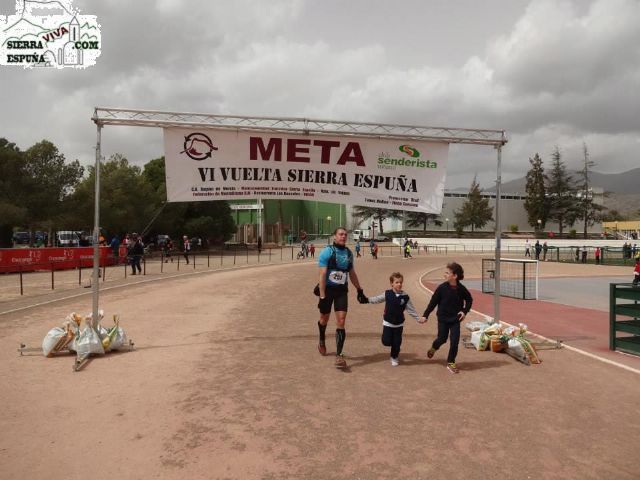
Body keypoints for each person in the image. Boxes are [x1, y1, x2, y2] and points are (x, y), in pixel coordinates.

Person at [317, 227, 366, 369]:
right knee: (323, 319)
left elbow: (352, 273)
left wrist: (359, 289)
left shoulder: (349, 253)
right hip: (327, 291)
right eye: (340, 234)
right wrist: (322, 295)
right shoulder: (327, 252)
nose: (343, 236)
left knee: (341, 320)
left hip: (341, 292)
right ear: (334, 237)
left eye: (345, 235)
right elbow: (322, 275)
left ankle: (339, 355)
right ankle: (321, 338)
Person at [421, 262, 473, 374]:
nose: (444, 274)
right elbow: (433, 302)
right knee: (442, 339)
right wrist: (425, 315)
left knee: (454, 341)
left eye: (447, 273)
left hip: (455, 320)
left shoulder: (461, 289)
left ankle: (451, 362)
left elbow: (469, 300)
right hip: (443, 319)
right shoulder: (441, 288)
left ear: (454, 276)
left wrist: (464, 311)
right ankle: (434, 347)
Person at [359, 272, 421, 366]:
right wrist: (367, 300)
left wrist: (418, 318)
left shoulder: (405, 297)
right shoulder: (387, 294)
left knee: (397, 343)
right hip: (388, 323)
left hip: (399, 324)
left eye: (400, 282)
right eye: (397, 282)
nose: (399, 284)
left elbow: (411, 309)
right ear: (392, 283)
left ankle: (394, 357)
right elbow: (377, 299)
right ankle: (394, 345)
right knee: (386, 341)